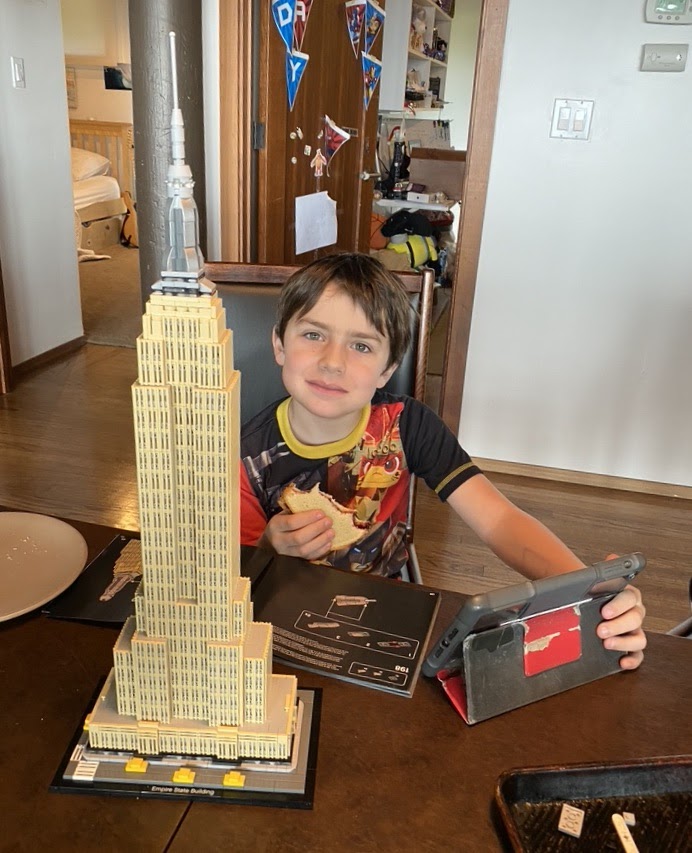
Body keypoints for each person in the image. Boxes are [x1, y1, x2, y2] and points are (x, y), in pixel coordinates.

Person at [240, 253, 646, 669]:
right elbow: (237, 574)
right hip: (282, 621)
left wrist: (586, 589)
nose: (333, 361)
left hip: (386, 606)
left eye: (361, 345)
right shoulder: (244, 455)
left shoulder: (409, 424)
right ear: (278, 344)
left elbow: (500, 521)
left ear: (387, 370)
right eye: (313, 335)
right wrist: (272, 544)